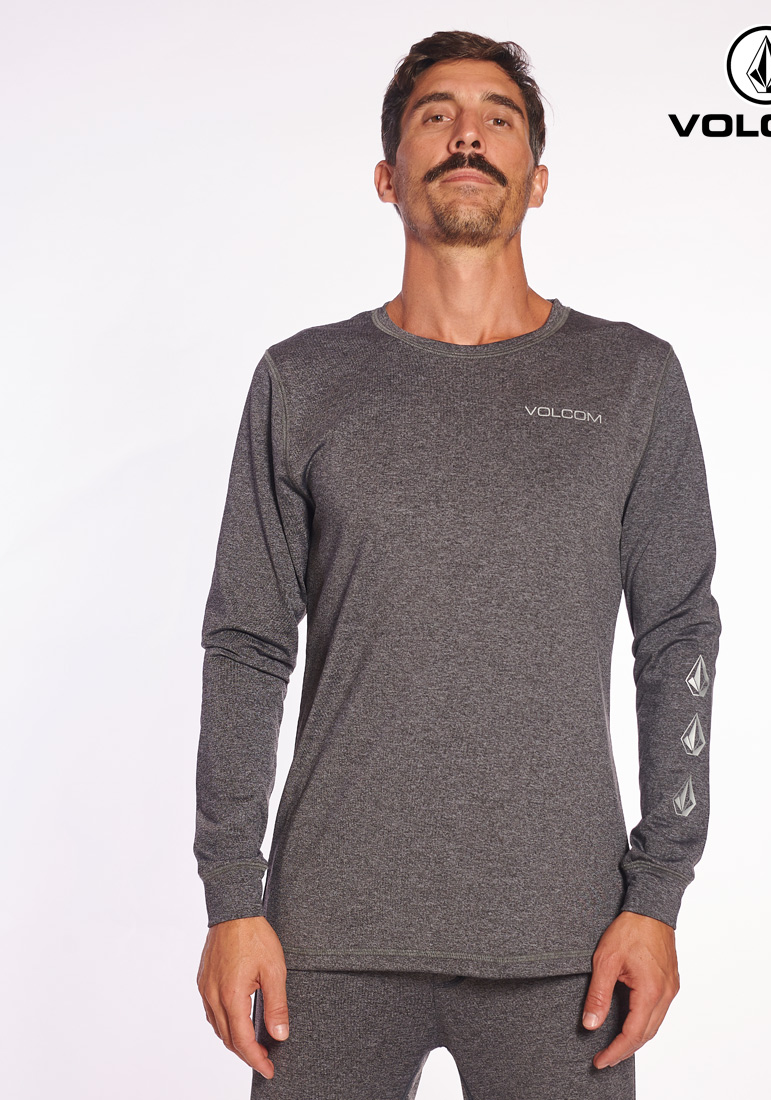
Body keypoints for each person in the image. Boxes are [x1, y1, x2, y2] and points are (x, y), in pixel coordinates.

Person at [194, 28, 721, 1100]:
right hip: (326, 935)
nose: (467, 134)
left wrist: (658, 893)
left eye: (498, 117)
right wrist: (231, 897)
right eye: (436, 116)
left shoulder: (631, 379)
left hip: (566, 940)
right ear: (388, 177)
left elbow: (678, 637)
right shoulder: (303, 379)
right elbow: (248, 642)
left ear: (538, 178)